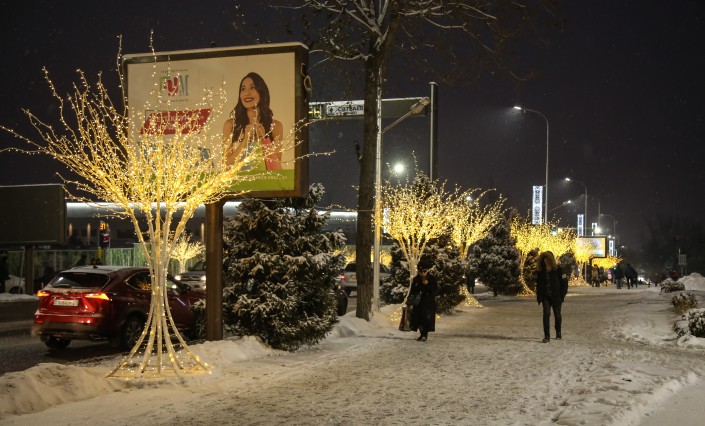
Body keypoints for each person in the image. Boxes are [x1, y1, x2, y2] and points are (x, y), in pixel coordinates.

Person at [223, 72, 283, 171]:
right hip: (237, 180)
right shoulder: (230, 125)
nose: (247, 93)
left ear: (262, 92)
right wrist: (245, 141)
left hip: (265, 181)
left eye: (252, 88)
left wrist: (264, 140)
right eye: (243, 89)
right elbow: (226, 166)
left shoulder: (275, 126)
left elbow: (277, 169)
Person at [535, 251, 568, 343]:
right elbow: (538, 284)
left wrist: (561, 295)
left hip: (556, 296)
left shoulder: (559, 270)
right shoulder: (541, 271)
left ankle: (558, 332)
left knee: (557, 314)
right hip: (545, 296)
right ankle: (547, 335)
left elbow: (564, 283)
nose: (546, 261)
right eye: (544, 259)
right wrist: (539, 296)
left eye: (548, 259)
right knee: (546, 314)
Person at [408, 264, 438, 342]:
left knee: (426, 319)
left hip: (428, 303)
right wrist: (409, 300)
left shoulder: (432, 279)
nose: (423, 273)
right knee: (418, 319)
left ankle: (424, 335)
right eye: (421, 271)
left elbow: (435, 291)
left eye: (424, 271)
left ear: (427, 271)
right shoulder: (416, 279)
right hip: (418, 303)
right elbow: (412, 290)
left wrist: (427, 285)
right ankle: (422, 334)